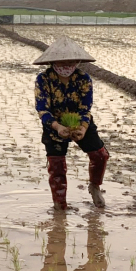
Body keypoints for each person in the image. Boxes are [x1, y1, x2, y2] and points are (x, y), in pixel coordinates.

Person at [33, 36, 109, 210]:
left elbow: (85, 108)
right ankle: (60, 207)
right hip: (54, 125)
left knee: (100, 155)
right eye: (62, 62)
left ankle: (94, 187)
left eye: (71, 62)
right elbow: (42, 109)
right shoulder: (43, 80)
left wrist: (82, 128)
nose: (66, 66)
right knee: (57, 166)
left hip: (79, 123)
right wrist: (58, 127)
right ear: (53, 62)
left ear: (77, 61)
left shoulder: (84, 79)